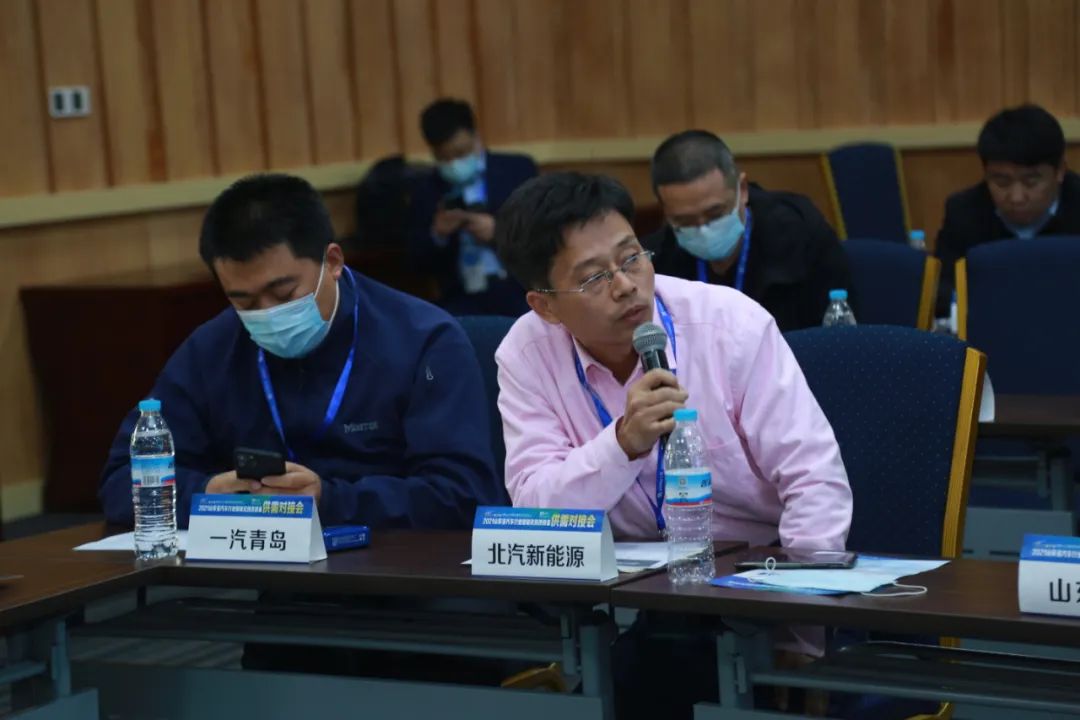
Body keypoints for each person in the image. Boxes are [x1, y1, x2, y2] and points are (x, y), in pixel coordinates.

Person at [494, 172, 852, 718]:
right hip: (649, 607)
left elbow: (814, 477)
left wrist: (803, 633)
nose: (626, 285)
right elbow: (536, 510)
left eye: (632, 257)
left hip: (764, 592)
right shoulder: (526, 353)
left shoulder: (730, 325)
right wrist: (621, 444)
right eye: (594, 278)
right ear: (545, 305)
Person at [99, 173, 502, 529]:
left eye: (283, 293)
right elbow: (122, 481)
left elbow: (462, 494)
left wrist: (329, 501)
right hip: (261, 571)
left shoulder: (424, 340)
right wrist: (205, 495)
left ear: (333, 262)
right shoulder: (213, 348)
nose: (267, 314)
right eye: (243, 301)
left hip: (393, 570)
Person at [642, 130, 852, 331]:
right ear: (666, 213)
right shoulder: (654, 262)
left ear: (742, 190)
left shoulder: (802, 235)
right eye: (685, 220)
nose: (703, 229)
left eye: (715, 213)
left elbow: (833, 338)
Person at [935, 104, 1080, 315]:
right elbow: (943, 291)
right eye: (1002, 182)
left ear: (1060, 171)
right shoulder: (963, 211)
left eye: (1031, 182)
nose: (1016, 197)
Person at [408, 98, 537, 316]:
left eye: (460, 153)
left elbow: (542, 235)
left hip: (518, 291)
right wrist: (438, 234)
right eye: (443, 158)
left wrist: (499, 232)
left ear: (476, 138)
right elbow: (416, 261)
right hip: (460, 298)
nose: (453, 164)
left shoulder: (517, 170)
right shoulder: (427, 190)